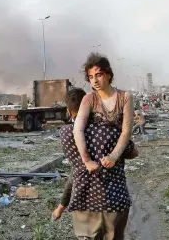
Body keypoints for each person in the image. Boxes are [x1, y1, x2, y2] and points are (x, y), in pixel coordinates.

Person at [68, 53, 134, 239]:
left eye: (98, 74)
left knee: (117, 214)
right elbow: (77, 129)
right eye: (90, 77)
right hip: (94, 165)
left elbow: (126, 131)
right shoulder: (89, 99)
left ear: (108, 74)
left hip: (115, 163)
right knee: (92, 216)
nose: (94, 80)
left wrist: (114, 156)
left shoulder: (125, 97)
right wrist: (86, 160)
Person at [52, 88, 139, 222]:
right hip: (113, 202)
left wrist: (61, 206)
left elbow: (75, 173)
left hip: (83, 202)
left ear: (69, 111)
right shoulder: (111, 130)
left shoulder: (65, 133)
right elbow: (134, 152)